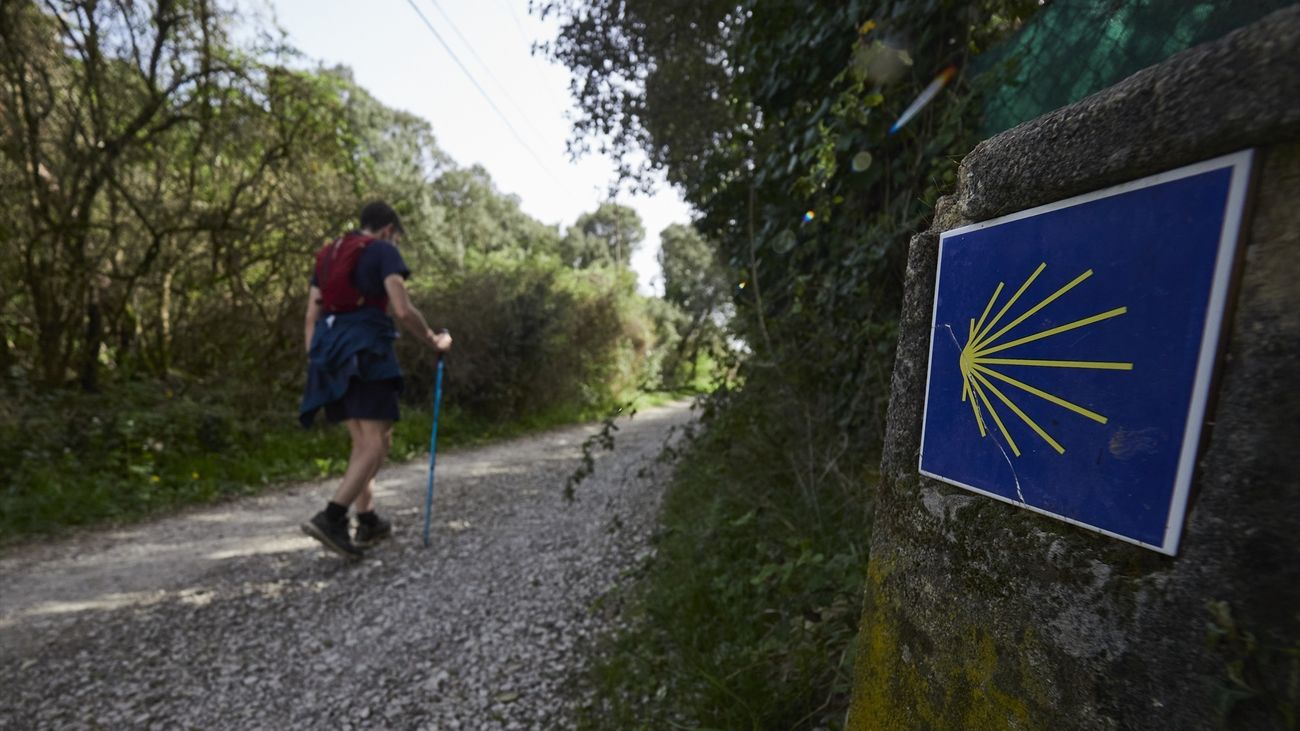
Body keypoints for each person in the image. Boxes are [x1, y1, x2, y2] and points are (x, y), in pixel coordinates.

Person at [298, 201, 452, 560]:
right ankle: (332, 517)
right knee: (376, 443)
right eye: (397, 238)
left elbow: (312, 314)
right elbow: (401, 308)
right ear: (388, 230)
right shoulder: (382, 251)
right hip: (367, 351)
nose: (396, 244)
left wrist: (317, 358)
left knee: (363, 441)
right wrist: (433, 340)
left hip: (329, 352)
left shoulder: (327, 255)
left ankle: (366, 520)